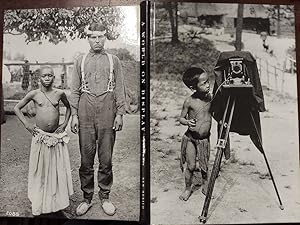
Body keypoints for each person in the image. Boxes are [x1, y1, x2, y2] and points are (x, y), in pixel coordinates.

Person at [69, 22, 126, 216]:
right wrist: (74, 115)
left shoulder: (113, 60)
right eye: (93, 36)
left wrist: (119, 113)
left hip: (107, 110)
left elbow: (120, 88)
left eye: (100, 36)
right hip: (85, 110)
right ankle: (86, 198)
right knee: (86, 159)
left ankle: (105, 196)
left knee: (106, 158)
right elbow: (74, 90)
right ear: (88, 38)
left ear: (105, 37)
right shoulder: (80, 60)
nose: (97, 40)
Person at [14, 66, 73, 216]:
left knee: (56, 168)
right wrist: (27, 124)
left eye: (50, 75)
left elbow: (69, 108)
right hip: (40, 136)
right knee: (39, 169)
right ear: (38, 78)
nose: (47, 78)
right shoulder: (34, 94)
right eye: (44, 76)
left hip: (55, 137)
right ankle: (40, 201)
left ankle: (57, 203)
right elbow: (17, 108)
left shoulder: (59, 93)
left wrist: (64, 124)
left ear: (54, 78)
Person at [179, 67, 212, 201]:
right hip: (191, 139)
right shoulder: (189, 101)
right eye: (203, 83)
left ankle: (205, 185)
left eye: (208, 81)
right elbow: (180, 118)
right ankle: (187, 188)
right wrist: (187, 122)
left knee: (204, 166)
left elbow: (217, 113)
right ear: (193, 87)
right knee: (191, 166)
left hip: (204, 140)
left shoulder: (210, 99)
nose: (208, 85)